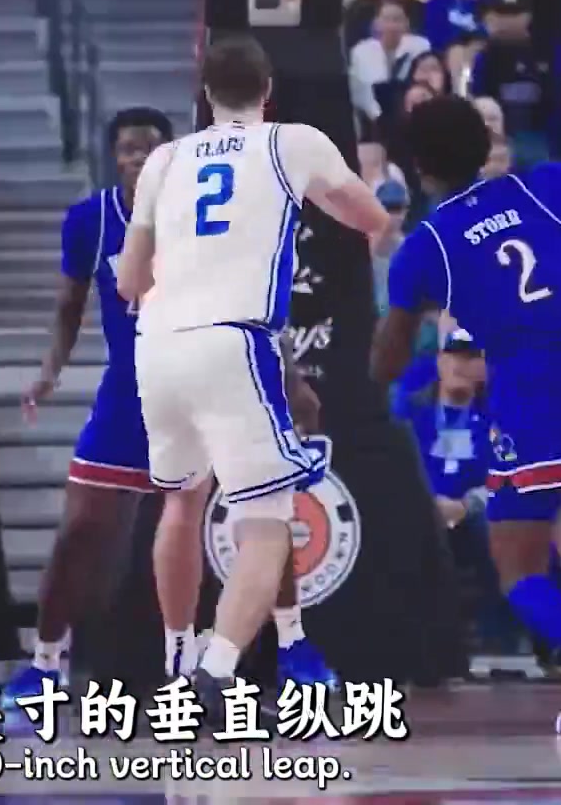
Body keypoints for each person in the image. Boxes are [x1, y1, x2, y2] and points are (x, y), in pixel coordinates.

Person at [3, 108, 334, 708]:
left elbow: (252, 302)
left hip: (215, 379)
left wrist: (290, 378)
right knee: (81, 530)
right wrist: (50, 371)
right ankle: (45, 663)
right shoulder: (91, 220)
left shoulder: (210, 217)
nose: (138, 157)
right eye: (127, 148)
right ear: (113, 158)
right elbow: (68, 306)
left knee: (261, 515)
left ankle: (293, 646)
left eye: (150, 147)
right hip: (131, 390)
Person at [373, 95, 561, 733]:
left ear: (419, 168)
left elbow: (387, 360)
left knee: (516, 566)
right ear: (486, 149)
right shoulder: (538, 185)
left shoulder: (425, 247)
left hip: (531, 381)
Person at [113, 35, 389, 701]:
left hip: (158, 344)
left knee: (181, 502)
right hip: (233, 337)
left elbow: (128, 281)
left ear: (204, 94)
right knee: (266, 520)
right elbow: (370, 217)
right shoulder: (291, 142)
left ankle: (177, 654)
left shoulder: (164, 159)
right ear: (268, 91)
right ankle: (216, 669)